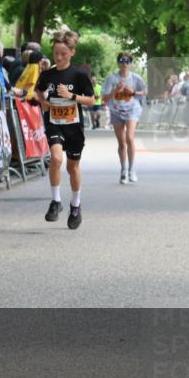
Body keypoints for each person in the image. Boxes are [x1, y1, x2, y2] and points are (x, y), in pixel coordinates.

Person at [35, 30, 94, 230]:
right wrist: (43, 101)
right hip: (54, 122)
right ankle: (56, 201)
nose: (58, 57)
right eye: (56, 53)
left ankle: (75, 205)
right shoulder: (47, 74)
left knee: (72, 168)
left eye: (63, 53)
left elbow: (91, 100)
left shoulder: (79, 75)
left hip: (74, 127)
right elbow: (37, 89)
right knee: (56, 158)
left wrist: (72, 96)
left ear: (72, 52)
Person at [102, 52, 147, 183]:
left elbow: (145, 91)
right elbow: (104, 97)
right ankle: (124, 170)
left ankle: (132, 169)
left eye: (127, 61)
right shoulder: (112, 78)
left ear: (130, 64)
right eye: (121, 60)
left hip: (132, 110)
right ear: (118, 62)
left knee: (129, 138)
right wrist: (115, 91)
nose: (124, 64)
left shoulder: (135, 78)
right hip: (116, 111)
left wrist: (133, 92)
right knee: (121, 142)